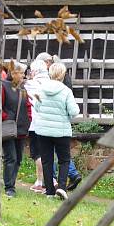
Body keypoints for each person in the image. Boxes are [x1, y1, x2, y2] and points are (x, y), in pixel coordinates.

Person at [32, 62, 79, 200]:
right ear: (63, 75)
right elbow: (74, 111)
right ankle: (62, 188)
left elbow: (36, 107)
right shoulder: (66, 91)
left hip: (43, 130)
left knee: (47, 160)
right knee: (64, 160)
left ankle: (50, 192)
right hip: (61, 131)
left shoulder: (41, 89)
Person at [1, 63, 31, 198]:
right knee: (10, 158)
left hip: (21, 128)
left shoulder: (22, 87)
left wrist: (28, 119)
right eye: (21, 73)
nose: (24, 76)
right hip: (8, 128)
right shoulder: (3, 86)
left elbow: (28, 105)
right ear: (13, 74)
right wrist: (6, 118)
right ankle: (9, 187)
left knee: (18, 158)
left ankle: (11, 183)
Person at [25, 59, 49, 193]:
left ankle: (44, 181)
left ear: (34, 71)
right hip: (49, 122)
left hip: (35, 123)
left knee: (37, 153)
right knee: (47, 152)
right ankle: (45, 181)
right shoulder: (51, 83)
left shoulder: (30, 84)